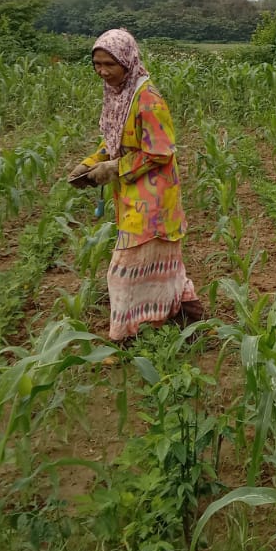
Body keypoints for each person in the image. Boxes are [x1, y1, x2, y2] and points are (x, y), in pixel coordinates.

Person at [68, 29, 203, 342]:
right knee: (167, 266)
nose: (102, 71)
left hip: (155, 199)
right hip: (134, 195)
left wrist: (114, 168)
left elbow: (159, 151)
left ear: (127, 62)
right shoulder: (120, 95)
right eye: (96, 64)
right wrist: (91, 163)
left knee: (122, 271)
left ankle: (123, 338)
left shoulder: (148, 99)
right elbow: (115, 140)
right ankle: (188, 320)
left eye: (109, 64)